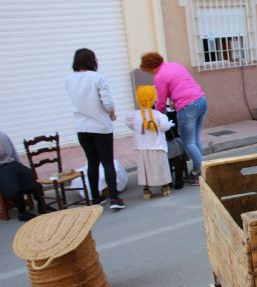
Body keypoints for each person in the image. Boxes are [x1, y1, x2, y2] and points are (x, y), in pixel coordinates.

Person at [66, 48, 124, 210]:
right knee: (107, 162)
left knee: (92, 162)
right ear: (92, 61)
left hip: (81, 126)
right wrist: (111, 113)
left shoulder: (69, 79)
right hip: (100, 126)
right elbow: (108, 103)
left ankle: (95, 198)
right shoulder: (97, 77)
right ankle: (114, 199)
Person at [139, 52, 208, 186]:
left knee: (188, 142)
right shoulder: (175, 66)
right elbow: (181, 84)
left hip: (187, 106)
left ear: (149, 67)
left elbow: (160, 100)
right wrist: (173, 100)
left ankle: (202, 173)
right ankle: (196, 170)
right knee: (195, 139)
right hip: (201, 100)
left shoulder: (159, 76)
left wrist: (157, 116)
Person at [126, 86, 174, 200]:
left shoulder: (133, 116)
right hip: (158, 147)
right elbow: (164, 127)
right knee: (160, 167)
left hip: (142, 148)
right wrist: (170, 124)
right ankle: (165, 188)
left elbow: (130, 125)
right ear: (153, 98)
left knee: (145, 169)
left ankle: (146, 191)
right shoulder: (159, 115)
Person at [0, 130, 50, 221]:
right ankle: (22, 212)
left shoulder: (2, 135)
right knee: (12, 185)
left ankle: (42, 205)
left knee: (30, 177)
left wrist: (17, 163)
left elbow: (11, 150)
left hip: (10, 162)